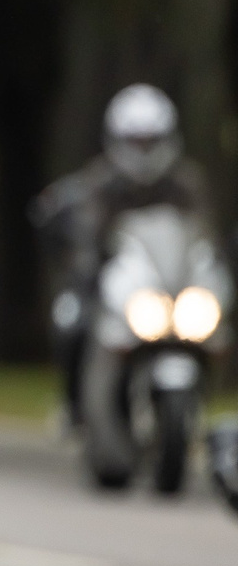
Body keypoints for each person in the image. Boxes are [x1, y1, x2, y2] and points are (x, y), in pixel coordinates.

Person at [32, 84, 213, 422]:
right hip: (116, 286)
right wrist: (90, 264)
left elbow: (202, 238)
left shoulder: (186, 183)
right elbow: (85, 236)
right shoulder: (100, 183)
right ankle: (73, 405)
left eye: (150, 141)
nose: (143, 151)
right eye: (136, 141)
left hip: (170, 288)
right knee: (72, 320)